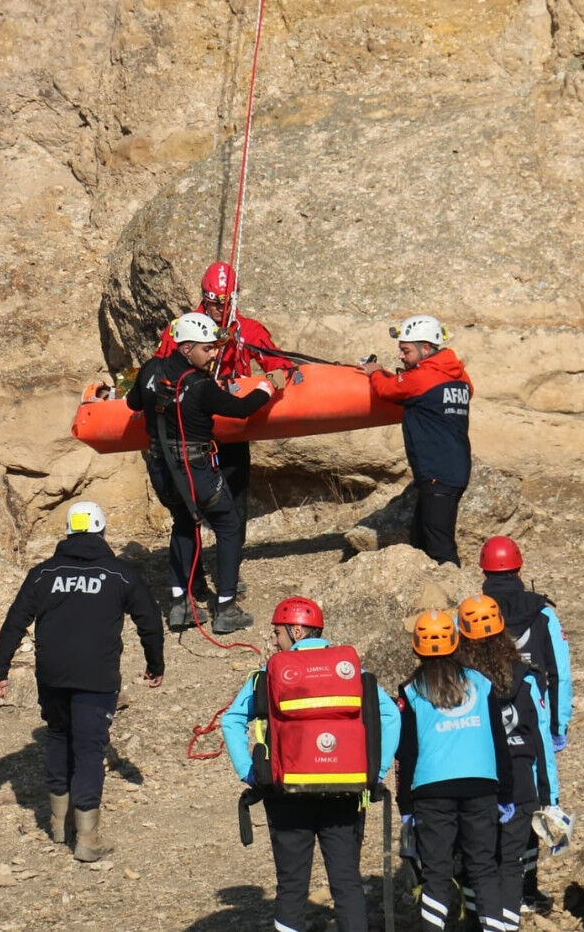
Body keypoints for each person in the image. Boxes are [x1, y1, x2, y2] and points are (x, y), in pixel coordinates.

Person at [0, 500, 166, 861]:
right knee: (89, 749)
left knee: (58, 736)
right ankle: (87, 838)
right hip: (96, 676)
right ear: (102, 531)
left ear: (67, 532)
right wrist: (154, 663)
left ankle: (57, 824)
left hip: (52, 674)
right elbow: (149, 620)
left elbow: (14, 621)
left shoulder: (44, 573)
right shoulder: (119, 573)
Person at [220, 597, 402, 932]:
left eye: (277, 632)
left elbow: (231, 720)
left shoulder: (268, 675)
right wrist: (374, 773)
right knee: (347, 884)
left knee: (291, 887)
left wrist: (250, 772)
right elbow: (390, 715)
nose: (274, 640)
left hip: (286, 792)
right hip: (345, 790)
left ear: (297, 629)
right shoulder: (351, 672)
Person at [129, 311, 287, 633]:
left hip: (162, 470)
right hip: (195, 469)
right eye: (208, 349)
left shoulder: (149, 369)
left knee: (183, 522)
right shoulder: (200, 384)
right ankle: (226, 607)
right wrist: (267, 387)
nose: (215, 354)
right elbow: (241, 410)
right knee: (228, 525)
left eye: (215, 347)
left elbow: (134, 403)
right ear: (186, 348)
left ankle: (180, 605)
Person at [152, 261, 296, 598]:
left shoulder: (247, 330)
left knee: (235, 506)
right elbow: (160, 365)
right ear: (203, 298)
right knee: (190, 511)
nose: (220, 309)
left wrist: (275, 378)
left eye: (225, 301)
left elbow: (278, 363)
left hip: (230, 431)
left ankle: (228, 573)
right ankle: (194, 580)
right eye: (214, 302)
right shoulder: (183, 328)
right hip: (192, 433)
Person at [396, 609, 513, 932]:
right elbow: (498, 740)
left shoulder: (411, 690)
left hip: (431, 790)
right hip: (481, 784)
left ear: (416, 646)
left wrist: (406, 806)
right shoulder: (481, 683)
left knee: (436, 872)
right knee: (484, 868)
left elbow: (407, 753)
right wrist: (507, 793)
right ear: (456, 639)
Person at [455, 596, 560, 923]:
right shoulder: (527, 677)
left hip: (476, 781)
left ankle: (478, 924)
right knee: (511, 863)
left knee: (477, 862)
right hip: (521, 780)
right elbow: (541, 738)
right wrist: (550, 796)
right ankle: (507, 922)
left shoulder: (457, 681)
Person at [359, 316, 472, 566]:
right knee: (421, 539)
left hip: (438, 473)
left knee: (439, 547)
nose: (401, 356)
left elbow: (388, 390)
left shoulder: (423, 378)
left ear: (426, 349)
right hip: (450, 469)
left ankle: (456, 598)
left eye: (405, 350)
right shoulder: (460, 377)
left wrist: (374, 372)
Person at [478, 537, 572, 752]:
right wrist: (558, 727)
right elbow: (561, 674)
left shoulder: (472, 617)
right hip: (534, 719)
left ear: (484, 573)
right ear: (520, 570)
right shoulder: (544, 615)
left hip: (485, 722)